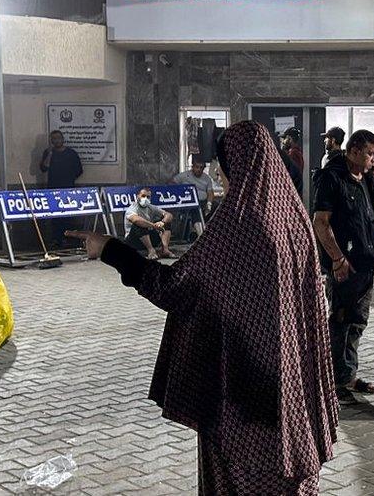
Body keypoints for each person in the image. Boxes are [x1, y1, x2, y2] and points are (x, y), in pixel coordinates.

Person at [67, 120, 338, 494]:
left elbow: (176, 288)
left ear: (235, 165)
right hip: (289, 388)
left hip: (241, 394)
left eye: (221, 165)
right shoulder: (293, 218)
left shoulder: (239, 222)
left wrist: (111, 249)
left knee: (241, 479)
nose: (218, 174)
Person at [313, 129, 374, 406]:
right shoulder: (332, 178)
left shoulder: (368, 179)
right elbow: (321, 222)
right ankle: (333, 382)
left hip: (365, 262)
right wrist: (337, 259)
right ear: (353, 151)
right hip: (343, 265)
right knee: (340, 321)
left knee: (357, 322)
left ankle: (347, 376)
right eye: (371, 153)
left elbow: (366, 215)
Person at [40, 130, 84, 248]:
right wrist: (49, 154)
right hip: (53, 189)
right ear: (51, 141)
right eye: (54, 139)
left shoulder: (71, 153)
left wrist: (69, 179)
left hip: (68, 189)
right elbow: (43, 168)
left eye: (58, 138)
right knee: (55, 216)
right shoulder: (48, 152)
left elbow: (79, 170)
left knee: (68, 215)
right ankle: (57, 240)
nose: (56, 141)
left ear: (63, 139)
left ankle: (68, 239)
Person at [124, 187, 175, 260]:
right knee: (140, 224)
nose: (145, 198)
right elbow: (136, 220)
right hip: (133, 241)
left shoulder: (151, 207)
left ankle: (165, 250)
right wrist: (154, 226)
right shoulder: (132, 208)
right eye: (143, 196)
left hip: (149, 238)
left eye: (148, 197)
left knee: (167, 222)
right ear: (138, 196)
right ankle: (151, 250)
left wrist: (162, 222)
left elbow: (169, 215)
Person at [172, 160, 216, 240]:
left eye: (201, 168)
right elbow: (172, 183)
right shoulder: (184, 176)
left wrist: (209, 204)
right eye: (197, 167)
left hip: (203, 202)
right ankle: (201, 235)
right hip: (188, 203)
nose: (199, 169)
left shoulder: (207, 178)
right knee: (195, 209)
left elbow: (210, 192)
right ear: (192, 167)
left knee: (216, 205)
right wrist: (179, 192)